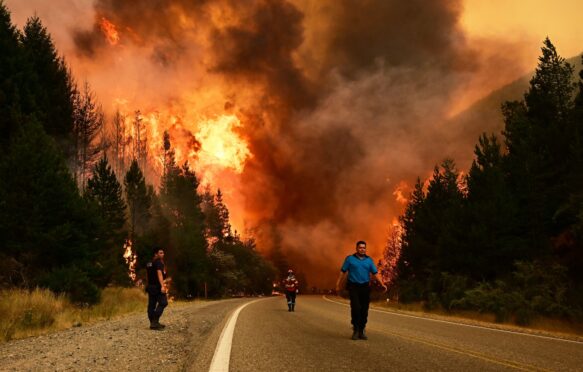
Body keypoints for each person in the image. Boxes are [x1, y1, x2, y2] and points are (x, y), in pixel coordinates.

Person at [336, 241, 387, 340]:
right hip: (353, 286)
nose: (362, 249)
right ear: (356, 248)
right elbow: (342, 272)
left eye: (364, 248)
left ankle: (362, 330)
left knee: (364, 310)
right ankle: (355, 329)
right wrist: (338, 284)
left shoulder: (369, 260)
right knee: (355, 308)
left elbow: (375, 273)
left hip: (365, 287)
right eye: (360, 248)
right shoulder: (350, 259)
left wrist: (382, 283)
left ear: (365, 249)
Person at [146, 247, 168, 330]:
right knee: (163, 302)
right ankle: (155, 322)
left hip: (150, 286)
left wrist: (148, 285)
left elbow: (147, 275)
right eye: (161, 253)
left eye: (163, 253)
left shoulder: (149, 263)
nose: (163, 254)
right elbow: (159, 274)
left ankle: (153, 323)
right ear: (156, 254)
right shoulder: (158, 262)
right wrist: (162, 286)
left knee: (151, 305)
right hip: (157, 287)